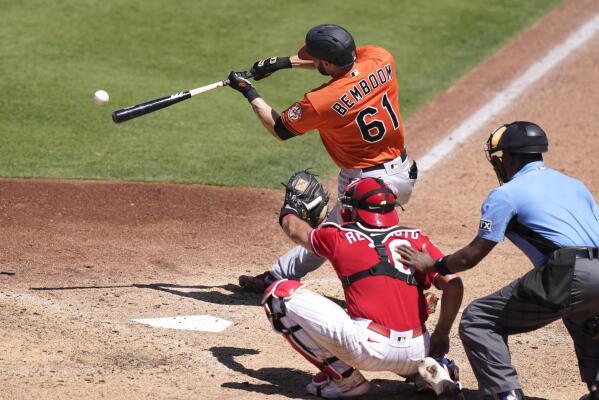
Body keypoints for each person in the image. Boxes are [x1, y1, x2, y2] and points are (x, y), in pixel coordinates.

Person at [396, 121, 599, 400]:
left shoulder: (506, 194)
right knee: (586, 317)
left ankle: (505, 394)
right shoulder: (574, 186)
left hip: (569, 271)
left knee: (479, 319)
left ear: (512, 157)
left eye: (501, 157)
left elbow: (470, 257)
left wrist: (434, 265)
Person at [227, 23, 417, 293]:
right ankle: (277, 275)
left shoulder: (322, 101)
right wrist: (281, 63)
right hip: (401, 168)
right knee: (339, 232)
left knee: (332, 239)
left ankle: (413, 286)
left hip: (366, 185)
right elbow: (338, 61)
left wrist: (248, 91)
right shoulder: (380, 58)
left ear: (326, 63)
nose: (309, 60)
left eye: (314, 58)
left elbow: (279, 128)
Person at [262, 176, 464, 398]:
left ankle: (345, 379)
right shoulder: (416, 239)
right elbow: (454, 286)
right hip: (419, 349)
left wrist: (290, 210)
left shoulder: (338, 237)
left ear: (355, 210)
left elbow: (295, 230)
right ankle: (430, 372)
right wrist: (441, 335)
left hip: (369, 348)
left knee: (278, 294)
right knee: (417, 300)